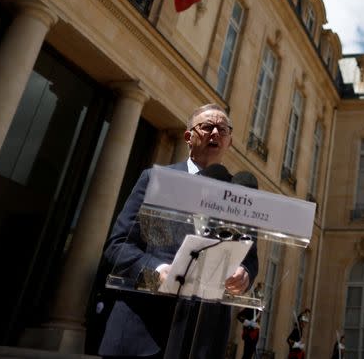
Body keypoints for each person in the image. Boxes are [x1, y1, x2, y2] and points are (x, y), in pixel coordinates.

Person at [99, 104, 258, 359]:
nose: (215, 133)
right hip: (141, 331)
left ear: (229, 142)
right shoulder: (155, 180)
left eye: (223, 129)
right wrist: (157, 271)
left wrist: (244, 275)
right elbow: (117, 247)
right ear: (188, 137)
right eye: (207, 127)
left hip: (203, 339)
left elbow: (250, 259)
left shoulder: (241, 196)